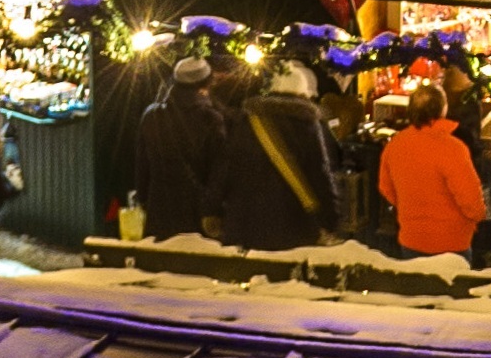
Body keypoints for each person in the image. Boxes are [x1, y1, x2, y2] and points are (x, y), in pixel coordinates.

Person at [219, 55, 344, 251]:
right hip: (293, 224)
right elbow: (319, 174)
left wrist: (212, 209)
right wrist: (330, 219)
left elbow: (225, 168)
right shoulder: (307, 126)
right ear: (302, 93)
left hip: (247, 222)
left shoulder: (247, 122)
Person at [379, 85, 491, 266]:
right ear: (443, 109)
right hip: (452, 243)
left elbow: (386, 187)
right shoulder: (453, 148)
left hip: (411, 238)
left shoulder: (396, 144)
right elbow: (472, 200)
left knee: (416, 291)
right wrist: (477, 219)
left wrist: (410, 209)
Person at [127, 51, 230, 243]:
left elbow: (142, 167)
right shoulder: (211, 119)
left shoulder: (152, 116)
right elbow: (219, 171)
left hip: (159, 210)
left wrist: (144, 199)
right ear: (205, 84)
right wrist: (212, 209)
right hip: (197, 213)